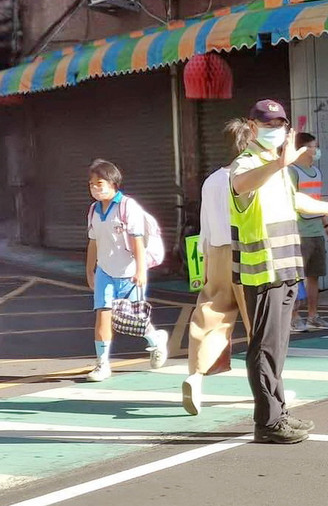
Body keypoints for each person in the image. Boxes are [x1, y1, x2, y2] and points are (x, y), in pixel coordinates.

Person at [230, 99, 328, 445]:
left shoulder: (278, 169)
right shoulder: (247, 164)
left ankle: (278, 413)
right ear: (252, 127)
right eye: (267, 123)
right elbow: (242, 185)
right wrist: (279, 162)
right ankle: (267, 423)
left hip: (286, 267)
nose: (276, 129)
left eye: (281, 124)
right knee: (265, 347)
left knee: (278, 346)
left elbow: (295, 202)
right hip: (263, 270)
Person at [182, 119, 254, 416]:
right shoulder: (252, 177)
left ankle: (195, 377)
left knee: (211, 315)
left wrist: (206, 261)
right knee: (259, 324)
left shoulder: (211, 180)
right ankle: (265, 391)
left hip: (216, 252)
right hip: (249, 253)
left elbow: (205, 227)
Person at [85, 159, 168, 382]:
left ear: (113, 183)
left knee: (133, 319)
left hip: (129, 272)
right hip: (105, 272)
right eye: (91, 184)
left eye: (99, 183)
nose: (95, 188)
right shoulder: (94, 209)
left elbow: (137, 241)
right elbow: (93, 242)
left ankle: (156, 340)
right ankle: (102, 364)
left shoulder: (127, 206)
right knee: (103, 315)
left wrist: (141, 270)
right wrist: (90, 269)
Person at [288, 132, 328, 332]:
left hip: (316, 230)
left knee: (314, 275)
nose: (316, 150)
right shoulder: (291, 172)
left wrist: (326, 225)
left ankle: (313, 316)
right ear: (301, 149)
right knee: (295, 277)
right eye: (312, 146)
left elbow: (316, 200)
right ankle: (293, 317)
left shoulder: (316, 172)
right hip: (299, 232)